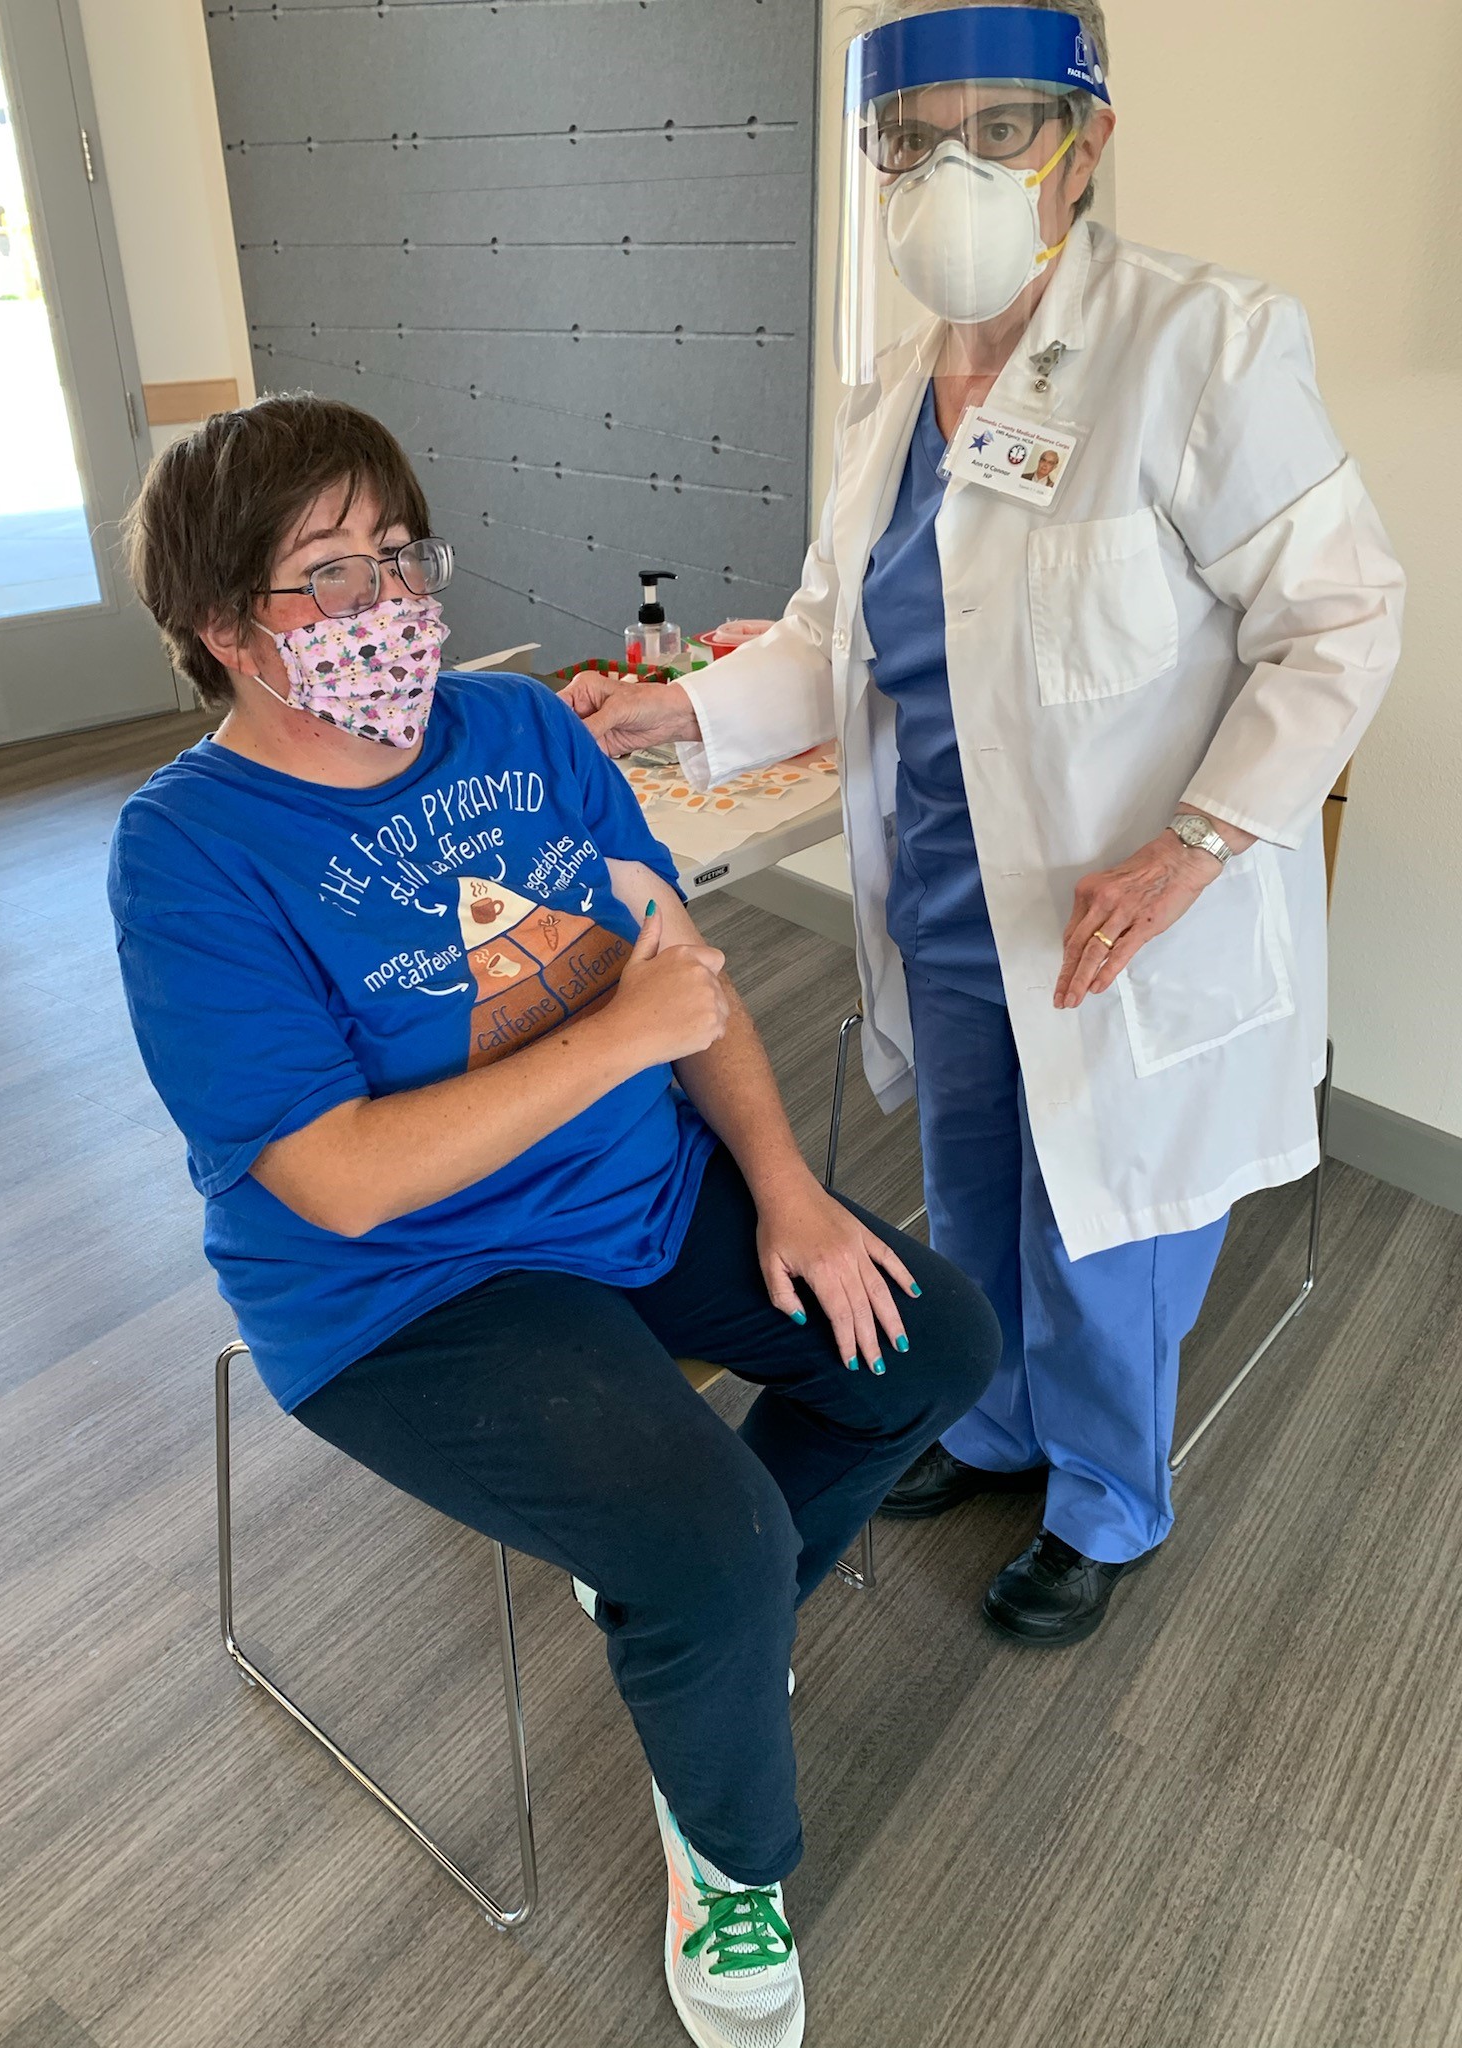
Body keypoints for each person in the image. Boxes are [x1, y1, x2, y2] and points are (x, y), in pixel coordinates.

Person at [108, 393, 999, 2048]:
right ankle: (723, 1842)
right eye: (326, 576)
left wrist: (791, 1193)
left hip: (633, 1197)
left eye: (398, 553)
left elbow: (684, 977)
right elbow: (341, 1179)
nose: (385, 607)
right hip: (409, 1295)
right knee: (714, 1532)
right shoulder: (186, 855)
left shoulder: (519, 730)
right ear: (224, 629)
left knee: (931, 1343)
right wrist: (619, 1038)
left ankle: (688, 1618)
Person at [563, 0, 1403, 1648]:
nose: (949, 168)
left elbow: (1343, 618)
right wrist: (679, 711)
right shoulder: (891, 404)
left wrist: (1199, 847)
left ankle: (1105, 1495)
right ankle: (993, 1420)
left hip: (1130, 914)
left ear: (1084, 146)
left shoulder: (1201, 344)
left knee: (1108, 1222)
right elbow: (829, 638)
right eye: (909, 136)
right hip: (948, 899)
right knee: (976, 1189)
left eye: (997, 130)